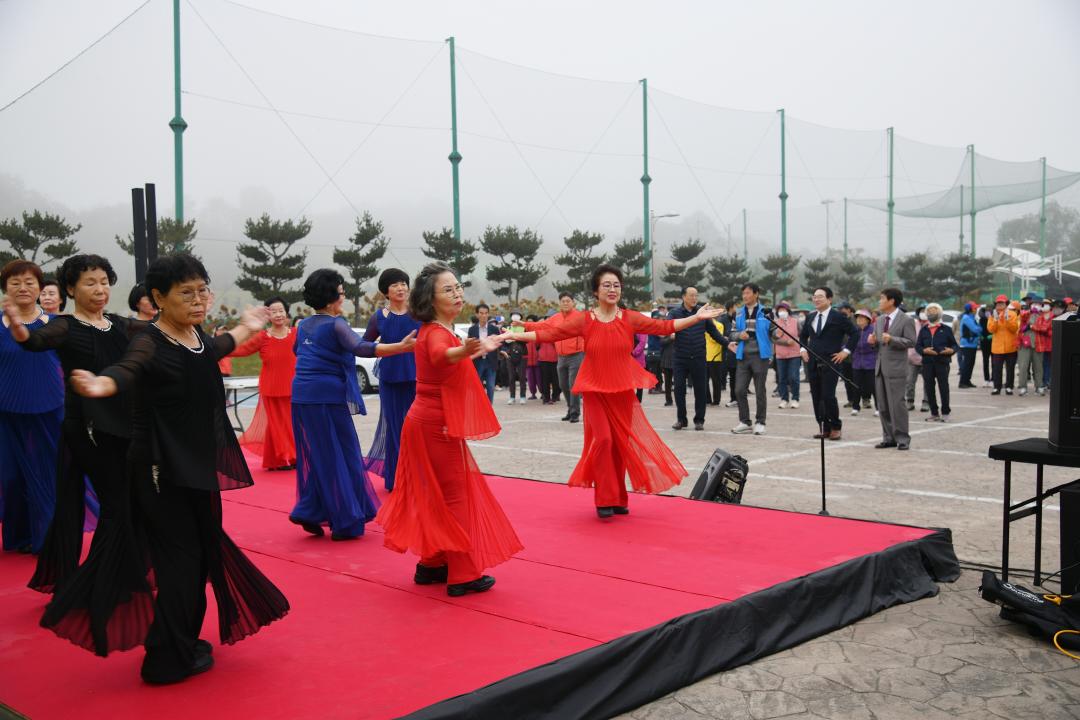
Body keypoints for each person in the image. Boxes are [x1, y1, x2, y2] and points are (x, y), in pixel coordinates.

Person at [60, 253, 289, 684]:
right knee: (180, 564)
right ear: (159, 298)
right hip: (159, 473)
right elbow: (126, 369)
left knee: (201, 558)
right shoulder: (150, 339)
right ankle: (166, 659)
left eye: (203, 290)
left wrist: (248, 325)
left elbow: (222, 345)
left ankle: (178, 640)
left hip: (195, 469)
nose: (199, 300)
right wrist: (100, 384)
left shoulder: (197, 337)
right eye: (187, 293)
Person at [510, 264, 722, 517]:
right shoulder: (585, 320)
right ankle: (603, 498)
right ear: (596, 292)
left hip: (622, 390)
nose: (612, 289)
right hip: (594, 390)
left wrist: (696, 317)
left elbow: (663, 327)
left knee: (621, 444)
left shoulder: (629, 317)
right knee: (603, 440)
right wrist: (515, 335)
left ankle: (619, 498)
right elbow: (552, 333)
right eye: (606, 285)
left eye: (616, 285)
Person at [376, 262, 522, 597]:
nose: (457, 294)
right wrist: (465, 350)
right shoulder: (438, 334)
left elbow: (446, 360)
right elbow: (443, 357)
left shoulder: (434, 329)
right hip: (435, 424)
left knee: (436, 494)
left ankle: (433, 563)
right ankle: (463, 574)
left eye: (458, 287)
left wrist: (473, 349)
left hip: (426, 421)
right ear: (430, 298)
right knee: (456, 494)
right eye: (448, 290)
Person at [12, 254, 142, 592]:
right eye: (90, 283)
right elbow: (37, 341)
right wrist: (21, 333)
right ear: (71, 288)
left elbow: (157, 336)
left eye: (103, 282)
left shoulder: (120, 324)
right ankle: (99, 580)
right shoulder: (65, 325)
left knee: (127, 502)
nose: (99, 289)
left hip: (123, 426)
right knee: (115, 504)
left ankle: (118, 572)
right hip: (87, 429)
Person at [290, 269, 416, 540]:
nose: (344, 295)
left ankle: (311, 510)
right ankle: (345, 518)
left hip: (301, 397)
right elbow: (362, 348)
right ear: (332, 296)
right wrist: (401, 348)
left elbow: (298, 351)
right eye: (342, 291)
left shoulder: (304, 326)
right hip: (326, 396)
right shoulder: (336, 324)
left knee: (322, 453)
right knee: (343, 453)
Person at [0, 260, 62, 555]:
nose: (23, 288)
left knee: (48, 475)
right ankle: (18, 536)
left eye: (29, 282)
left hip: (50, 410)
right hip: (6, 412)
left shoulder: (55, 325)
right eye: (15, 283)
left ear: (40, 287)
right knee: (10, 477)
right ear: (5, 289)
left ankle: (47, 539)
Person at [361, 269, 422, 491]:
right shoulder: (379, 317)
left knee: (416, 429)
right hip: (390, 381)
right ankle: (397, 477)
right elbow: (364, 346)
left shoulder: (419, 313)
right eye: (395, 285)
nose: (401, 288)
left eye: (404, 283)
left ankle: (419, 477)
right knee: (396, 429)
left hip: (417, 379)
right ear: (385, 291)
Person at [229, 296, 298, 471]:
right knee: (276, 425)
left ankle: (283, 458)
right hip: (271, 388)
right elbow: (243, 349)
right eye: (273, 311)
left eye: (281, 310)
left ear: (286, 312)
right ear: (267, 315)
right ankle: (284, 458)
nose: (278, 314)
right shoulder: (263, 337)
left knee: (292, 423)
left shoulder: (296, 334)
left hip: (293, 387)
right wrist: (220, 348)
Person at [799, 287, 858, 441]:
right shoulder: (810, 317)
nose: (816, 299)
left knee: (828, 395)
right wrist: (802, 349)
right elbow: (803, 336)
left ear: (829, 299)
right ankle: (823, 427)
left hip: (831, 362)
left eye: (820, 297)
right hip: (812, 362)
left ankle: (835, 426)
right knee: (817, 396)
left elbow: (855, 333)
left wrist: (846, 352)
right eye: (814, 297)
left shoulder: (838, 317)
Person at [669, 287, 727, 431]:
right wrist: (669, 334)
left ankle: (699, 420)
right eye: (691, 295)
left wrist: (728, 343)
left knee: (700, 390)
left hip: (699, 357)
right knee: (679, 389)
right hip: (680, 358)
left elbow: (714, 333)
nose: (694, 298)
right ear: (684, 297)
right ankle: (681, 420)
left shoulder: (702, 313)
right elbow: (666, 328)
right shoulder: (675, 313)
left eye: (696, 295)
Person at [868, 287, 916, 451]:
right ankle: (888, 437)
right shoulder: (880, 320)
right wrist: (873, 341)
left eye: (882, 299)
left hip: (896, 368)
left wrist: (893, 339)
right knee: (883, 404)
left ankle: (902, 438)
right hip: (880, 366)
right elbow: (879, 344)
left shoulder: (906, 320)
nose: (880, 302)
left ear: (891, 301)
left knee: (897, 404)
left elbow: (911, 341)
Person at [728, 283, 773, 435]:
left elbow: (774, 331)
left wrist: (779, 336)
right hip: (743, 355)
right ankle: (745, 421)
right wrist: (739, 336)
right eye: (743, 294)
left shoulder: (766, 312)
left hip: (760, 356)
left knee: (760, 390)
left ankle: (760, 421)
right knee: (739, 389)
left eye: (748, 293)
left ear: (756, 294)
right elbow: (732, 333)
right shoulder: (738, 313)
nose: (745, 296)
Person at [915, 303, 958, 422]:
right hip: (927, 363)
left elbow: (954, 345)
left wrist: (951, 350)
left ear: (939, 313)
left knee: (943, 387)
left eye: (934, 310)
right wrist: (924, 350)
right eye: (929, 311)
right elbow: (918, 346)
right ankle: (934, 413)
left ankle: (945, 413)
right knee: (929, 388)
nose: (931, 312)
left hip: (942, 362)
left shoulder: (946, 329)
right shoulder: (924, 330)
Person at [550, 292, 586, 423]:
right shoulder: (555, 318)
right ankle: (570, 408)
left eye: (568, 301)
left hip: (576, 355)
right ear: (559, 303)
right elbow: (544, 329)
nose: (565, 303)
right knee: (563, 384)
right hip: (561, 356)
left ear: (573, 303)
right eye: (563, 301)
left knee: (573, 385)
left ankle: (575, 413)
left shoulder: (581, 317)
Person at [987, 295, 1019, 395]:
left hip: (1010, 346)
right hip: (997, 347)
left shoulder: (1012, 314)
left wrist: (1007, 319)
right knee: (997, 368)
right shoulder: (993, 314)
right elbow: (991, 329)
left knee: (1010, 368)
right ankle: (997, 387)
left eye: (1002, 303)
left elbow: (1014, 329)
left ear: (1006, 304)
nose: (1000, 305)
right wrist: (996, 320)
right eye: (998, 303)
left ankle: (1009, 387)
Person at [467, 304, 500, 403]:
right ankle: (480, 409)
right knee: (477, 387)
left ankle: (489, 409)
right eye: (481, 313)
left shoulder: (494, 329)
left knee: (490, 387)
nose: (484, 316)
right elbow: (470, 346)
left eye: (486, 313)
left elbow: (499, 343)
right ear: (477, 314)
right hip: (478, 361)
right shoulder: (472, 330)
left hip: (491, 361)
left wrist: (501, 352)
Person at [772, 301, 801, 409]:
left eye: (783, 309)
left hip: (794, 354)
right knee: (782, 378)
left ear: (788, 310)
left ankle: (795, 398)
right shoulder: (775, 323)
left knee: (793, 377)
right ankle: (784, 399)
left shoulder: (795, 321)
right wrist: (784, 342)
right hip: (780, 354)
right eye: (779, 310)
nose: (781, 312)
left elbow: (802, 335)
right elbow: (773, 339)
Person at [851, 309, 877, 414]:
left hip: (871, 362)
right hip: (857, 362)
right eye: (857, 317)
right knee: (856, 385)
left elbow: (877, 345)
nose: (859, 319)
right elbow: (849, 343)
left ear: (868, 320)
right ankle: (855, 407)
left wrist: (872, 344)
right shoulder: (854, 331)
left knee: (873, 386)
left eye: (862, 317)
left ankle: (878, 408)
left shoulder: (873, 330)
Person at [502, 311, 528, 405]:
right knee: (511, 377)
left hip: (522, 355)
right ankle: (512, 396)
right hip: (510, 355)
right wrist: (507, 341)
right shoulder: (508, 328)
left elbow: (527, 340)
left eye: (517, 316)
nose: (515, 318)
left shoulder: (524, 328)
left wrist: (516, 337)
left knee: (522, 376)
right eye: (513, 316)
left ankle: (522, 396)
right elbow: (503, 342)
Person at [957, 302, 980, 389]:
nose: (976, 310)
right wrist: (981, 328)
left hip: (972, 344)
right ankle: (962, 382)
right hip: (967, 344)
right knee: (967, 364)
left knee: (971, 363)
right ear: (970, 309)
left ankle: (967, 380)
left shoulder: (972, 317)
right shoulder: (966, 318)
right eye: (974, 308)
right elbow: (975, 329)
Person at [1032, 301, 1053, 395]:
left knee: (1048, 365)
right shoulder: (1040, 316)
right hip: (1041, 344)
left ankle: (1047, 382)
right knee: (1041, 365)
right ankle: (1043, 383)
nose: (1044, 306)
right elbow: (1040, 327)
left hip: (1050, 345)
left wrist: (1035, 327)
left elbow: (1044, 329)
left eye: (1046, 304)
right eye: (1043, 304)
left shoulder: (1052, 316)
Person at [705, 311, 725, 406]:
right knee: (704, 379)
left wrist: (708, 332)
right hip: (704, 355)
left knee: (715, 380)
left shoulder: (719, 325)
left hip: (715, 355)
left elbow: (716, 338)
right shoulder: (702, 324)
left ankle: (716, 400)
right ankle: (707, 399)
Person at [538, 332, 560, 405]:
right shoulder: (541, 334)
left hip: (554, 359)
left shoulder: (555, 334)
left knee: (555, 380)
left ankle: (555, 396)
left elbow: (557, 344)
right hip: (543, 359)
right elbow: (536, 345)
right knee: (545, 380)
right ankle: (546, 398)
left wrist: (550, 337)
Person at [524, 316, 541, 399]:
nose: (529, 323)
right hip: (528, 360)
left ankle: (542, 393)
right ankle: (533, 394)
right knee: (530, 379)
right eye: (528, 321)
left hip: (538, 359)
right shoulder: (524, 333)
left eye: (531, 321)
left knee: (539, 378)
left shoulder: (537, 332)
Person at [978, 305, 993, 387]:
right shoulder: (981, 319)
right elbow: (980, 329)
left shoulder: (994, 318)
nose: (988, 312)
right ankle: (986, 379)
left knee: (994, 362)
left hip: (993, 342)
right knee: (985, 361)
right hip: (984, 342)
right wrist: (981, 335)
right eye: (986, 311)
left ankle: (993, 379)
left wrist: (993, 335)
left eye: (989, 310)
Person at [631, 330, 647, 402]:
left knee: (639, 381)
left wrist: (633, 352)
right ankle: (631, 397)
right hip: (629, 359)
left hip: (638, 360)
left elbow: (642, 343)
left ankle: (638, 398)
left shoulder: (642, 330)